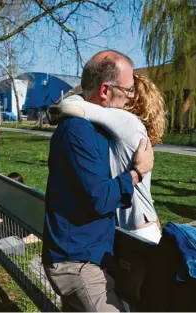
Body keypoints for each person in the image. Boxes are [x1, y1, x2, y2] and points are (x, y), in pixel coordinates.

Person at [42, 50, 154, 312]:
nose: (131, 98)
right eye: (128, 91)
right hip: (78, 264)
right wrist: (137, 173)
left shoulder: (88, 126)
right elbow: (101, 198)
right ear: (105, 90)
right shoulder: (79, 132)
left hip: (81, 256)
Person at [58, 74, 166, 243]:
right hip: (143, 225)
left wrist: (86, 90)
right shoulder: (133, 127)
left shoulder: (125, 120)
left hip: (136, 230)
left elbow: (67, 105)